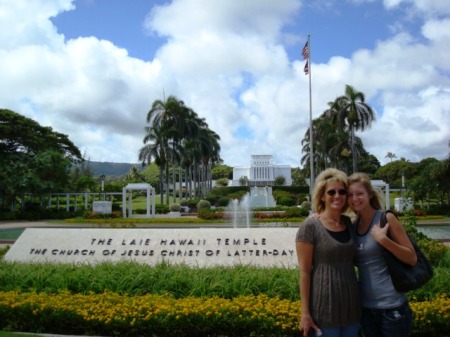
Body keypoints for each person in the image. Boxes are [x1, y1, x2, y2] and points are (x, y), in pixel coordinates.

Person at [347, 172, 417, 337]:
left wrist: (384, 240)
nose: (354, 199)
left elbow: (412, 258)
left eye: (359, 194)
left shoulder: (386, 218)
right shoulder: (353, 225)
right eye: (350, 195)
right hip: (366, 309)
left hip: (392, 309)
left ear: (370, 195)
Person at [296, 168, 361, 337]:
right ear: (322, 196)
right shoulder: (310, 227)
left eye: (342, 192)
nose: (337, 196)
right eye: (331, 192)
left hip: (351, 308)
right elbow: (304, 271)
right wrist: (305, 313)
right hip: (324, 310)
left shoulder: (348, 223)